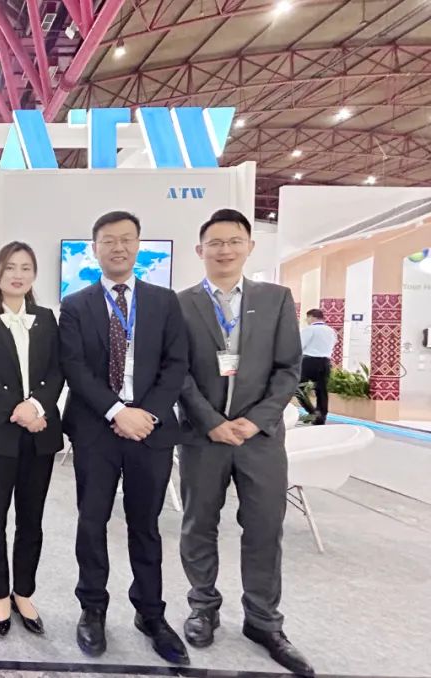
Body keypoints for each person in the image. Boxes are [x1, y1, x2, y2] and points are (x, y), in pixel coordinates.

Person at [177, 208, 314, 677]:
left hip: (261, 439)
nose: (225, 250)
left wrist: (254, 422)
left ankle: (263, 621)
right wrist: (211, 422)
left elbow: (288, 369)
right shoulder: (180, 304)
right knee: (198, 524)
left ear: (250, 247)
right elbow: (177, 372)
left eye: (234, 241)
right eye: (215, 242)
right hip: (203, 437)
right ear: (200, 250)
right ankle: (203, 607)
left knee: (264, 528)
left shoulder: (275, 299)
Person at [60, 211, 190, 665]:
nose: (118, 247)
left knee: (146, 525)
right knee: (91, 521)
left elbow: (176, 364)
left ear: (138, 246)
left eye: (127, 239)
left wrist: (145, 414)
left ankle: (150, 613)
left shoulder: (164, 301)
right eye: (108, 240)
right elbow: (75, 368)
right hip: (96, 429)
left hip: (150, 431)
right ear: (94, 248)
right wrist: (118, 411)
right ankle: (92, 608)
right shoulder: (75, 304)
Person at [0, 241, 63, 638]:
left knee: (31, 520)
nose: (18, 275)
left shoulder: (46, 318)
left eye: (25, 268)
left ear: (34, 274)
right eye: (10, 267)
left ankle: (24, 592)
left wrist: (36, 407)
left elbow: (57, 370)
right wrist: (17, 410)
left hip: (40, 433)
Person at [296, 309, 336, 425]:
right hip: (325, 362)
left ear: (312, 317)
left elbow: (299, 346)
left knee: (299, 388)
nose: (307, 320)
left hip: (309, 362)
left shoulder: (309, 329)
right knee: (322, 390)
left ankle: (312, 412)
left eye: (307, 318)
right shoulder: (331, 331)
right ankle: (321, 416)